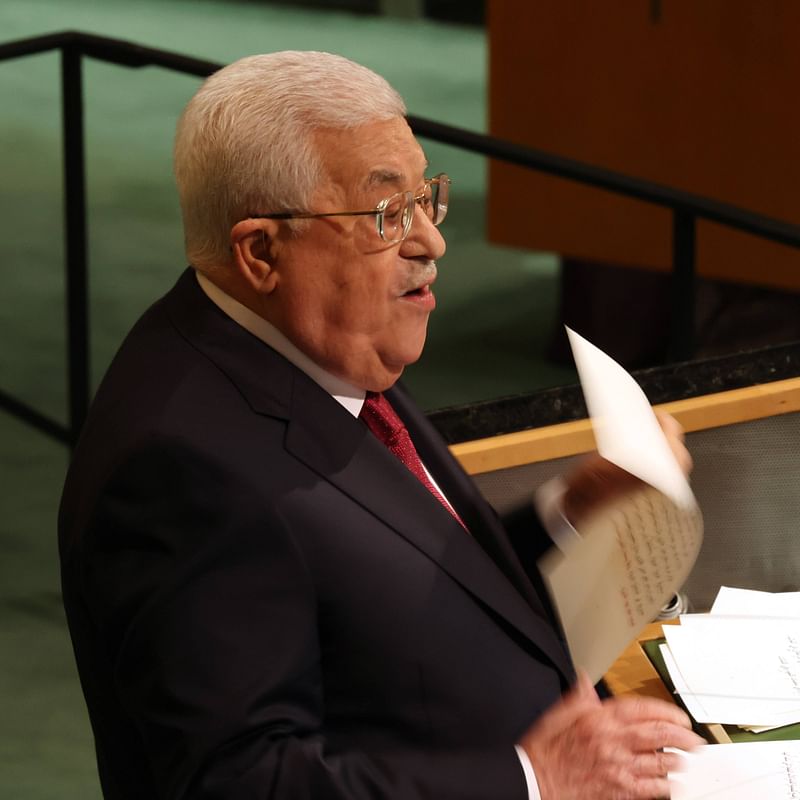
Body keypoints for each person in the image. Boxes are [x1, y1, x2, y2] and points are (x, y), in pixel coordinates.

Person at [58, 51, 702, 800]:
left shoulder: (310, 343)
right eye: (387, 213)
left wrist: (568, 512)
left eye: (428, 198)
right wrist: (532, 778)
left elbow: (396, 591)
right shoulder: (179, 470)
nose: (432, 242)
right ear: (262, 251)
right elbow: (234, 781)